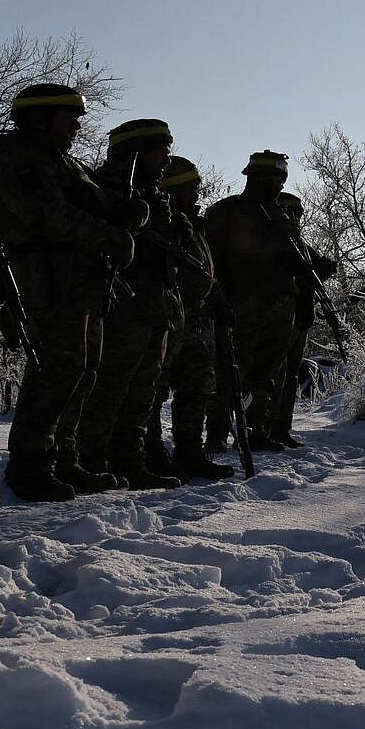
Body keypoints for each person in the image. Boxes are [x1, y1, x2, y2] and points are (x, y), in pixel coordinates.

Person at [0, 83, 132, 501]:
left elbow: (93, 202)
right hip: (44, 280)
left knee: (81, 371)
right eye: (68, 117)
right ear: (41, 117)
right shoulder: (19, 158)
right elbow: (46, 215)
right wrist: (110, 235)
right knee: (54, 371)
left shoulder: (61, 161)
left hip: (79, 282)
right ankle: (30, 465)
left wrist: (127, 211)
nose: (77, 126)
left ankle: (64, 459)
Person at [80, 119, 184, 489]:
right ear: (135, 154)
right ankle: (91, 460)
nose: (167, 161)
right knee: (109, 386)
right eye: (161, 152)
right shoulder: (104, 188)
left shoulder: (155, 195)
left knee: (143, 389)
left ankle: (129, 459)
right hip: (121, 305)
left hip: (153, 305)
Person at [204, 151, 304, 451]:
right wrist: (217, 295)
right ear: (251, 177)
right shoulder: (227, 212)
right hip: (239, 305)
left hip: (277, 308)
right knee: (230, 372)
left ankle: (254, 428)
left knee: (266, 374)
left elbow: (293, 256)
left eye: (278, 180)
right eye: (266, 178)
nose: (273, 185)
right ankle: (218, 432)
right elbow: (209, 259)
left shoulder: (282, 216)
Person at [146, 157, 235, 480]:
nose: (196, 195)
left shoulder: (194, 225)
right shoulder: (159, 222)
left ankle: (190, 452)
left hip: (198, 320)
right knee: (153, 389)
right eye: (189, 189)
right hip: (169, 317)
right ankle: (150, 452)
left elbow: (204, 271)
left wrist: (216, 296)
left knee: (196, 387)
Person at [269, 192, 338, 449]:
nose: (293, 218)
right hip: (277, 321)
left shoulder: (302, 246)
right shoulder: (274, 244)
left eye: (297, 214)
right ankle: (262, 428)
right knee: (272, 376)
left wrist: (323, 269)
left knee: (289, 378)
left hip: (300, 319)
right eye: (288, 212)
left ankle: (280, 428)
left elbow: (314, 272)